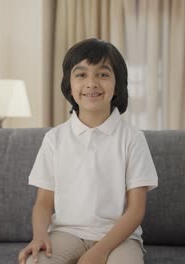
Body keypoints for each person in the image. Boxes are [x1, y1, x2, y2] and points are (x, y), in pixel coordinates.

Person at [18, 38, 158, 264]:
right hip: (66, 233)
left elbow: (136, 209)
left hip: (119, 237)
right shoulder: (54, 139)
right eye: (81, 75)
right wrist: (40, 236)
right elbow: (44, 203)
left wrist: (100, 251)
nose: (91, 83)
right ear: (69, 85)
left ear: (117, 85)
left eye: (102, 74)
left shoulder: (133, 139)